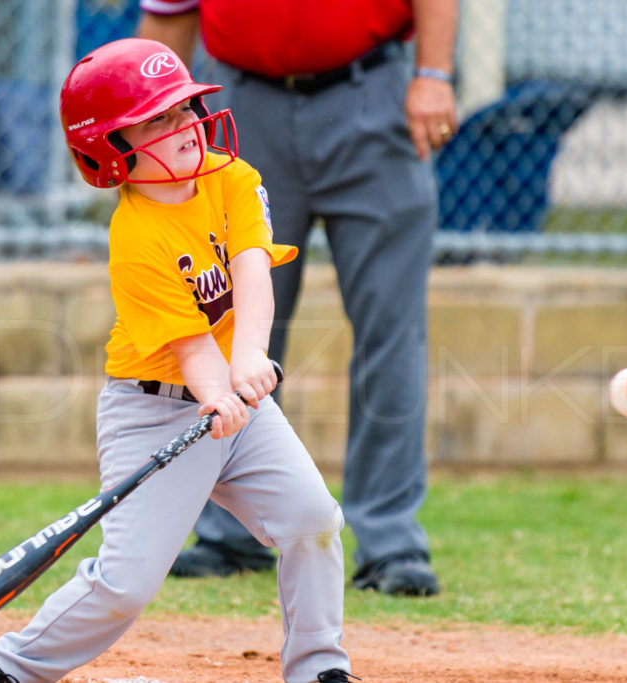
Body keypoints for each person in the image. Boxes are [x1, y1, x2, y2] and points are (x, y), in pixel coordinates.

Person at [0, 38, 356, 683]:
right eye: (157, 119)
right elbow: (189, 348)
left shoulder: (232, 178)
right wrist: (220, 390)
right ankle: (9, 670)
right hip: (152, 411)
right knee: (126, 583)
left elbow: (252, 273)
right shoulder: (135, 237)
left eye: (184, 108)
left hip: (239, 404)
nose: (185, 125)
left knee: (313, 519)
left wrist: (249, 363)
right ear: (112, 150)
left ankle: (320, 671)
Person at [138, 0, 459, 596]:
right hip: (238, 110)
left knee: (391, 331)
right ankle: (230, 533)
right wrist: (143, 139)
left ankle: (390, 541)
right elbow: (168, 18)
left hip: (371, 95)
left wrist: (434, 74)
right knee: (230, 328)